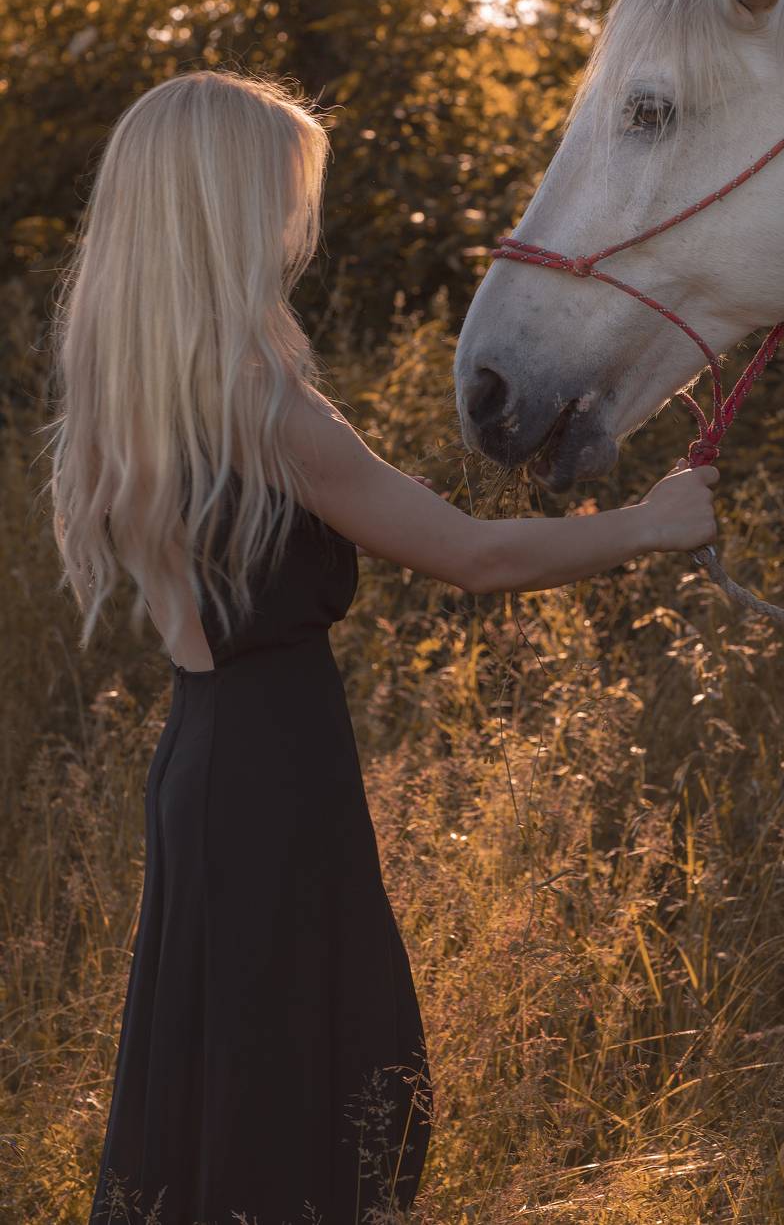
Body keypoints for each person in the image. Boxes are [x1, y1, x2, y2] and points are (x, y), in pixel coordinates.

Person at [39, 68, 719, 1225]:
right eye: (278, 199)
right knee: (321, 1076)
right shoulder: (268, 410)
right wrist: (651, 523)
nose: (292, 229)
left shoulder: (136, 390)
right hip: (275, 765)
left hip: (200, 755)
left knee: (227, 1071)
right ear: (223, 209)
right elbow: (473, 555)